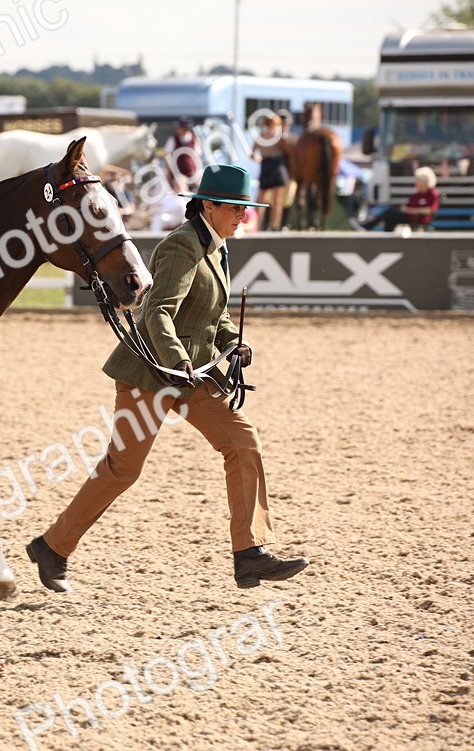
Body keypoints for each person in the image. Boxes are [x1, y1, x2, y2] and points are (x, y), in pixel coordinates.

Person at [26, 164, 309, 592]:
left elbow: (217, 314)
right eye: (235, 208)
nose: (243, 216)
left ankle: (249, 553)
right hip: (150, 373)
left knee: (243, 442)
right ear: (208, 206)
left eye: (245, 209)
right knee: (123, 470)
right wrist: (180, 365)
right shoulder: (181, 245)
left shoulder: (218, 246)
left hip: (193, 372)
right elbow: (158, 311)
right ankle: (52, 547)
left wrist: (235, 343)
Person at [353, 167, 439, 233]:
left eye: (418, 180)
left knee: (390, 212)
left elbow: (429, 210)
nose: (415, 182)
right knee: (390, 218)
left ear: (424, 181)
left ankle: (367, 226)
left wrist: (411, 210)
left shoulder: (432, 194)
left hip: (417, 220)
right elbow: (407, 206)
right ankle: (386, 236)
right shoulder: (416, 195)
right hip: (407, 217)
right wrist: (404, 209)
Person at [252, 115, 290, 231]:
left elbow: (252, 152)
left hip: (266, 165)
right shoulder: (277, 137)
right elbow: (288, 150)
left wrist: (259, 158)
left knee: (262, 198)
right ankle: (275, 225)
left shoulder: (261, 137)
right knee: (276, 199)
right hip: (276, 165)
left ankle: (257, 224)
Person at [163, 117, 200, 183]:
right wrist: (168, 171)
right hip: (176, 174)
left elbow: (197, 158)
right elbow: (167, 156)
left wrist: (198, 174)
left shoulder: (194, 139)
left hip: (191, 174)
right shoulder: (173, 139)